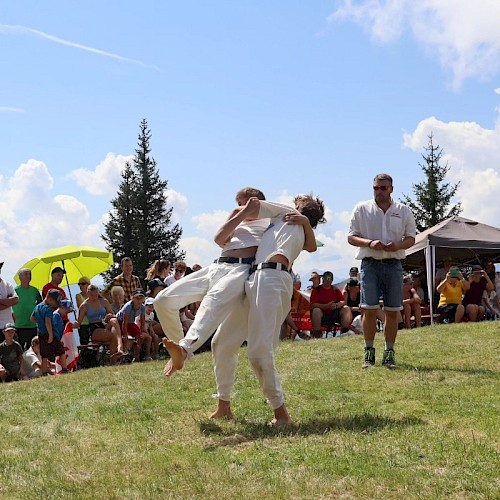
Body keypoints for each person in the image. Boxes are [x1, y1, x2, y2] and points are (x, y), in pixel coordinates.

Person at [209, 194, 325, 424]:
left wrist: (238, 214)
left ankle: (281, 414)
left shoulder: (287, 216)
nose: (292, 206)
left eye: (297, 205)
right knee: (221, 342)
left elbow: (254, 205)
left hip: (271, 278)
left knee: (259, 352)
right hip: (255, 278)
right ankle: (223, 405)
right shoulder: (291, 224)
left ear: (300, 208)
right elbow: (311, 245)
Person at [155, 187, 268, 375]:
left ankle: (184, 349)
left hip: (240, 269)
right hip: (216, 266)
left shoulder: (270, 222)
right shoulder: (238, 220)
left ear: (255, 201)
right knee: (163, 300)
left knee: (211, 302)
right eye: (238, 204)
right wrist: (242, 213)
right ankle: (179, 352)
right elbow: (219, 238)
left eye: (241, 203)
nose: (238, 207)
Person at [348, 173, 416, 369]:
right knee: (368, 309)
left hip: (394, 264)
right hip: (370, 264)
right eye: (376, 188)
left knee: (392, 311)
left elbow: (411, 238)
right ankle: (368, 353)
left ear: (391, 189)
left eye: (383, 188)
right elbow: (351, 237)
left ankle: (389, 352)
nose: (379, 191)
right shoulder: (362, 209)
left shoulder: (403, 210)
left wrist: (397, 246)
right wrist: (370, 243)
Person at [74, 284, 125, 364]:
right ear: (87, 294)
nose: (94, 297)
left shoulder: (103, 301)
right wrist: (71, 325)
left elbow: (113, 314)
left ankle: (119, 349)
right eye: (91, 295)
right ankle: (116, 354)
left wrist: (109, 316)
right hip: (95, 328)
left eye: (95, 295)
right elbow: (78, 322)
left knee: (114, 320)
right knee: (112, 336)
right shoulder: (84, 305)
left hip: (105, 324)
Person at [310, 271, 353, 338]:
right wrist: (326, 306)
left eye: (329, 278)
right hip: (322, 315)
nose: (328, 280)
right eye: (326, 278)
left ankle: (344, 331)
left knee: (346, 308)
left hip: (334, 314)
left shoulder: (335, 290)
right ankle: (317, 333)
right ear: (323, 279)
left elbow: (342, 301)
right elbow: (313, 305)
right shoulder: (316, 290)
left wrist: (336, 305)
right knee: (316, 310)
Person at [31, 289, 63, 376]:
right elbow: (48, 321)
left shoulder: (37, 307)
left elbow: (32, 318)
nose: (55, 305)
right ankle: (64, 369)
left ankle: (44, 372)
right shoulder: (48, 308)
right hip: (49, 332)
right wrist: (51, 335)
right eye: (55, 302)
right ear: (49, 299)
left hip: (40, 333)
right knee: (61, 351)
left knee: (44, 355)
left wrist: (39, 321)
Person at [116, 289, 150, 362]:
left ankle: (136, 356)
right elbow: (124, 322)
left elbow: (142, 321)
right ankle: (124, 356)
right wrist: (125, 334)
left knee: (139, 337)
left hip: (130, 322)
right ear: (133, 298)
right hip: (120, 322)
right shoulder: (128, 306)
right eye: (137, 298)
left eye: (141, 298)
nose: (139, 300)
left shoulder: (142, 307)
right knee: (125, 338)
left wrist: (141, 332)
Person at [12, 268, 42, 350]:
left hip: (32, 324)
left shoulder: (34, 290)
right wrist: (12, 313)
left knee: (32, 349)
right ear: (20, 277)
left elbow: (41, 304)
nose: (28, 276)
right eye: (26, 274)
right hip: (19, 324)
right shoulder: (15, 290)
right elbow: (9, 303)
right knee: (19, 349)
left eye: (29, 274)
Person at [51, 299, 74, 373]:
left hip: (58, 338)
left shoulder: (59, 316)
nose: (66, 314)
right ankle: (64, 369)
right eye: (66, 311)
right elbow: (53, 327)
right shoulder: (56, 315)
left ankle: (63, 368)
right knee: (61, 352)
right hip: (55, 338)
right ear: (62, 307)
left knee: (61, 352)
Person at [0, 262, 19, 343]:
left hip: (9, 326)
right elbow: (12, 301)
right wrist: (8, 302)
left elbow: (16, 299)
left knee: (12, 353)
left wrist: (1, 302)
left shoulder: (7, 284)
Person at [75, 276, 91, 344]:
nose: (80, 286)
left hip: (93, 321)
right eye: (79, 284)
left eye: (83, 284)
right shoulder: (78, 296)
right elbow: (82, 308)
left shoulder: (93, 295)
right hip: (83, 323)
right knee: (84, 343)